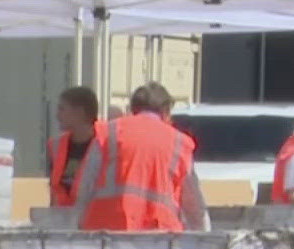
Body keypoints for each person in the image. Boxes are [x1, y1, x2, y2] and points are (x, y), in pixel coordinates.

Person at [73, 81, 208, 233]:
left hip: (106, 233)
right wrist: (204, 239)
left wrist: (80, 225)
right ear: (165, 111)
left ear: (132, 109)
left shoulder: (109, 132)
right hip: (159, 237)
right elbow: (194, 205)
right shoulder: (179, 142)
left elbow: (85, 185)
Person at [48, 86, 102, 209]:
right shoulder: (56, 146)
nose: (57, 115)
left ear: (79, 113)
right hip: (62, 223)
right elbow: (54, 191)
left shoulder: (104, 146)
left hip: (92, 223)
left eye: (62, 109)